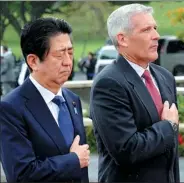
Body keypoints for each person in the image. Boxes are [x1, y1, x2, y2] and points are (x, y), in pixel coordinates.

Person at [90, 3, 179, 183]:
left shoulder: (164, 77)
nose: (156, 36)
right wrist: (168, 126)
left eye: (155, 28)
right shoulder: (109, 83)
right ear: (122, 39)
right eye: (146, 30)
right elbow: (127, 150)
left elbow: (171, 153)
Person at [0, 17, 90, 182]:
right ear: (33, 61)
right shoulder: (11, 108)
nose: (68, 62)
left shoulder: (72, 100)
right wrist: (73, 160)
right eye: (59, 55)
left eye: (70, 52)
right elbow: (21, 174)